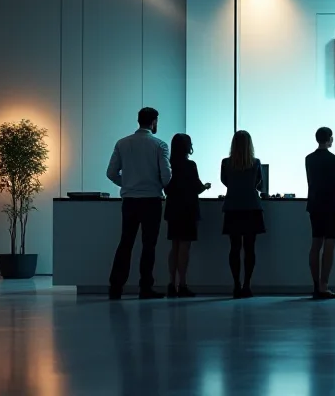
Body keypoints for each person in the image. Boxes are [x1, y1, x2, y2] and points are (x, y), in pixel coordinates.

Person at [106, 107, 172, 300]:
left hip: (129, 201)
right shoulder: (160, 145)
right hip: (151, 200)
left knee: (126, 243)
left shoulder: (122, 143)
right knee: (148, 245)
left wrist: (126, 183)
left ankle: (116, 287)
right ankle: (145, 287)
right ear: (154, 122)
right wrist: (156, 184)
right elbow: (167, 176)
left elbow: (111, 173)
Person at [164, 133, 210, 298]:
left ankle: (171, 283)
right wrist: (205, 186)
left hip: (172, 209)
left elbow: (166, 188)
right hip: (188, 209)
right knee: (184, 247)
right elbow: (196, 188)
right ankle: (182, 284)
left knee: (174, 246)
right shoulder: (190, 165)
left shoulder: (169, 165)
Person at [221, 130, 265, 299]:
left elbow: (225, 181)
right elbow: (258, 182)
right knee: (249, 248)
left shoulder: (226, 163)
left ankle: (236, 285)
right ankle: (247, 285)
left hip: (232, 206)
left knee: (234, 248)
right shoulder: (255, 163)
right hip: (251, 207)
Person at [305, 127, 335, 300]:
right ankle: (324, 285)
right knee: (329, 246)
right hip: (331, 206)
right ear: (330, 139)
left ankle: (316, 285)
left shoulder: (309, 159)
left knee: (316, 244)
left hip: (315, 205)